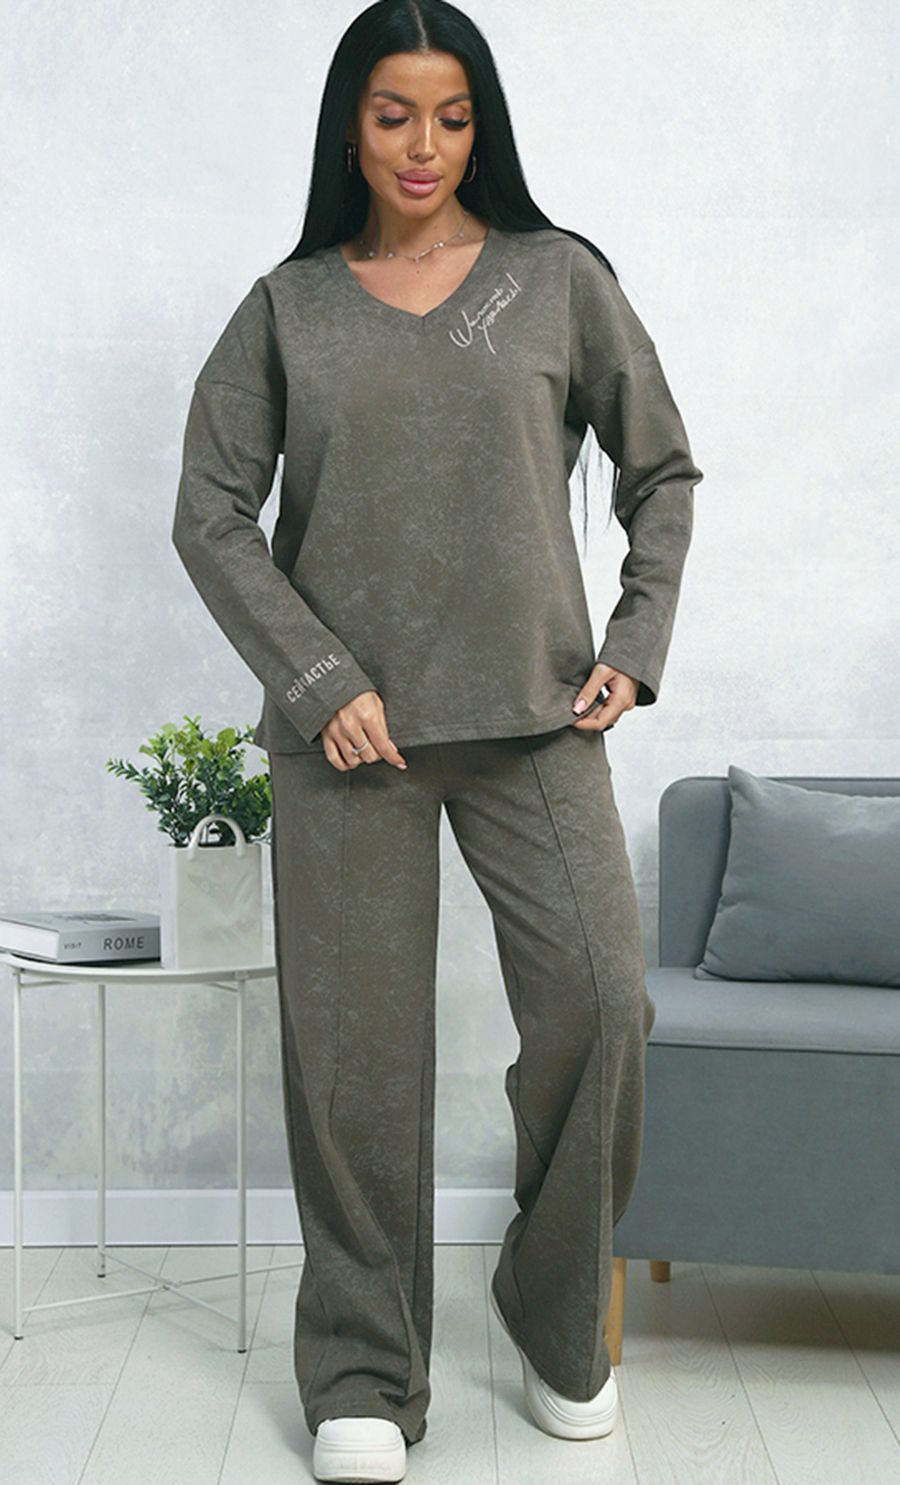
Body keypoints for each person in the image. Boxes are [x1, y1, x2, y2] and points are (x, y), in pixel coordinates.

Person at [173, 1, 701, 1479]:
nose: (424, 145)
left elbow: (661, 468)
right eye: (395, 113)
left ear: (484, 128)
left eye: (454, 116)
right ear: (351, 126)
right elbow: (210, 511)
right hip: (348, 741)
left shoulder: (555, 278)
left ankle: (552, 1306)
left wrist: (635, 640)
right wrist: (317, 676)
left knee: (601, 1008)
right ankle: (362, 1364)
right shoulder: (288, 307)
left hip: (539, 720)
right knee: (354, 1066)